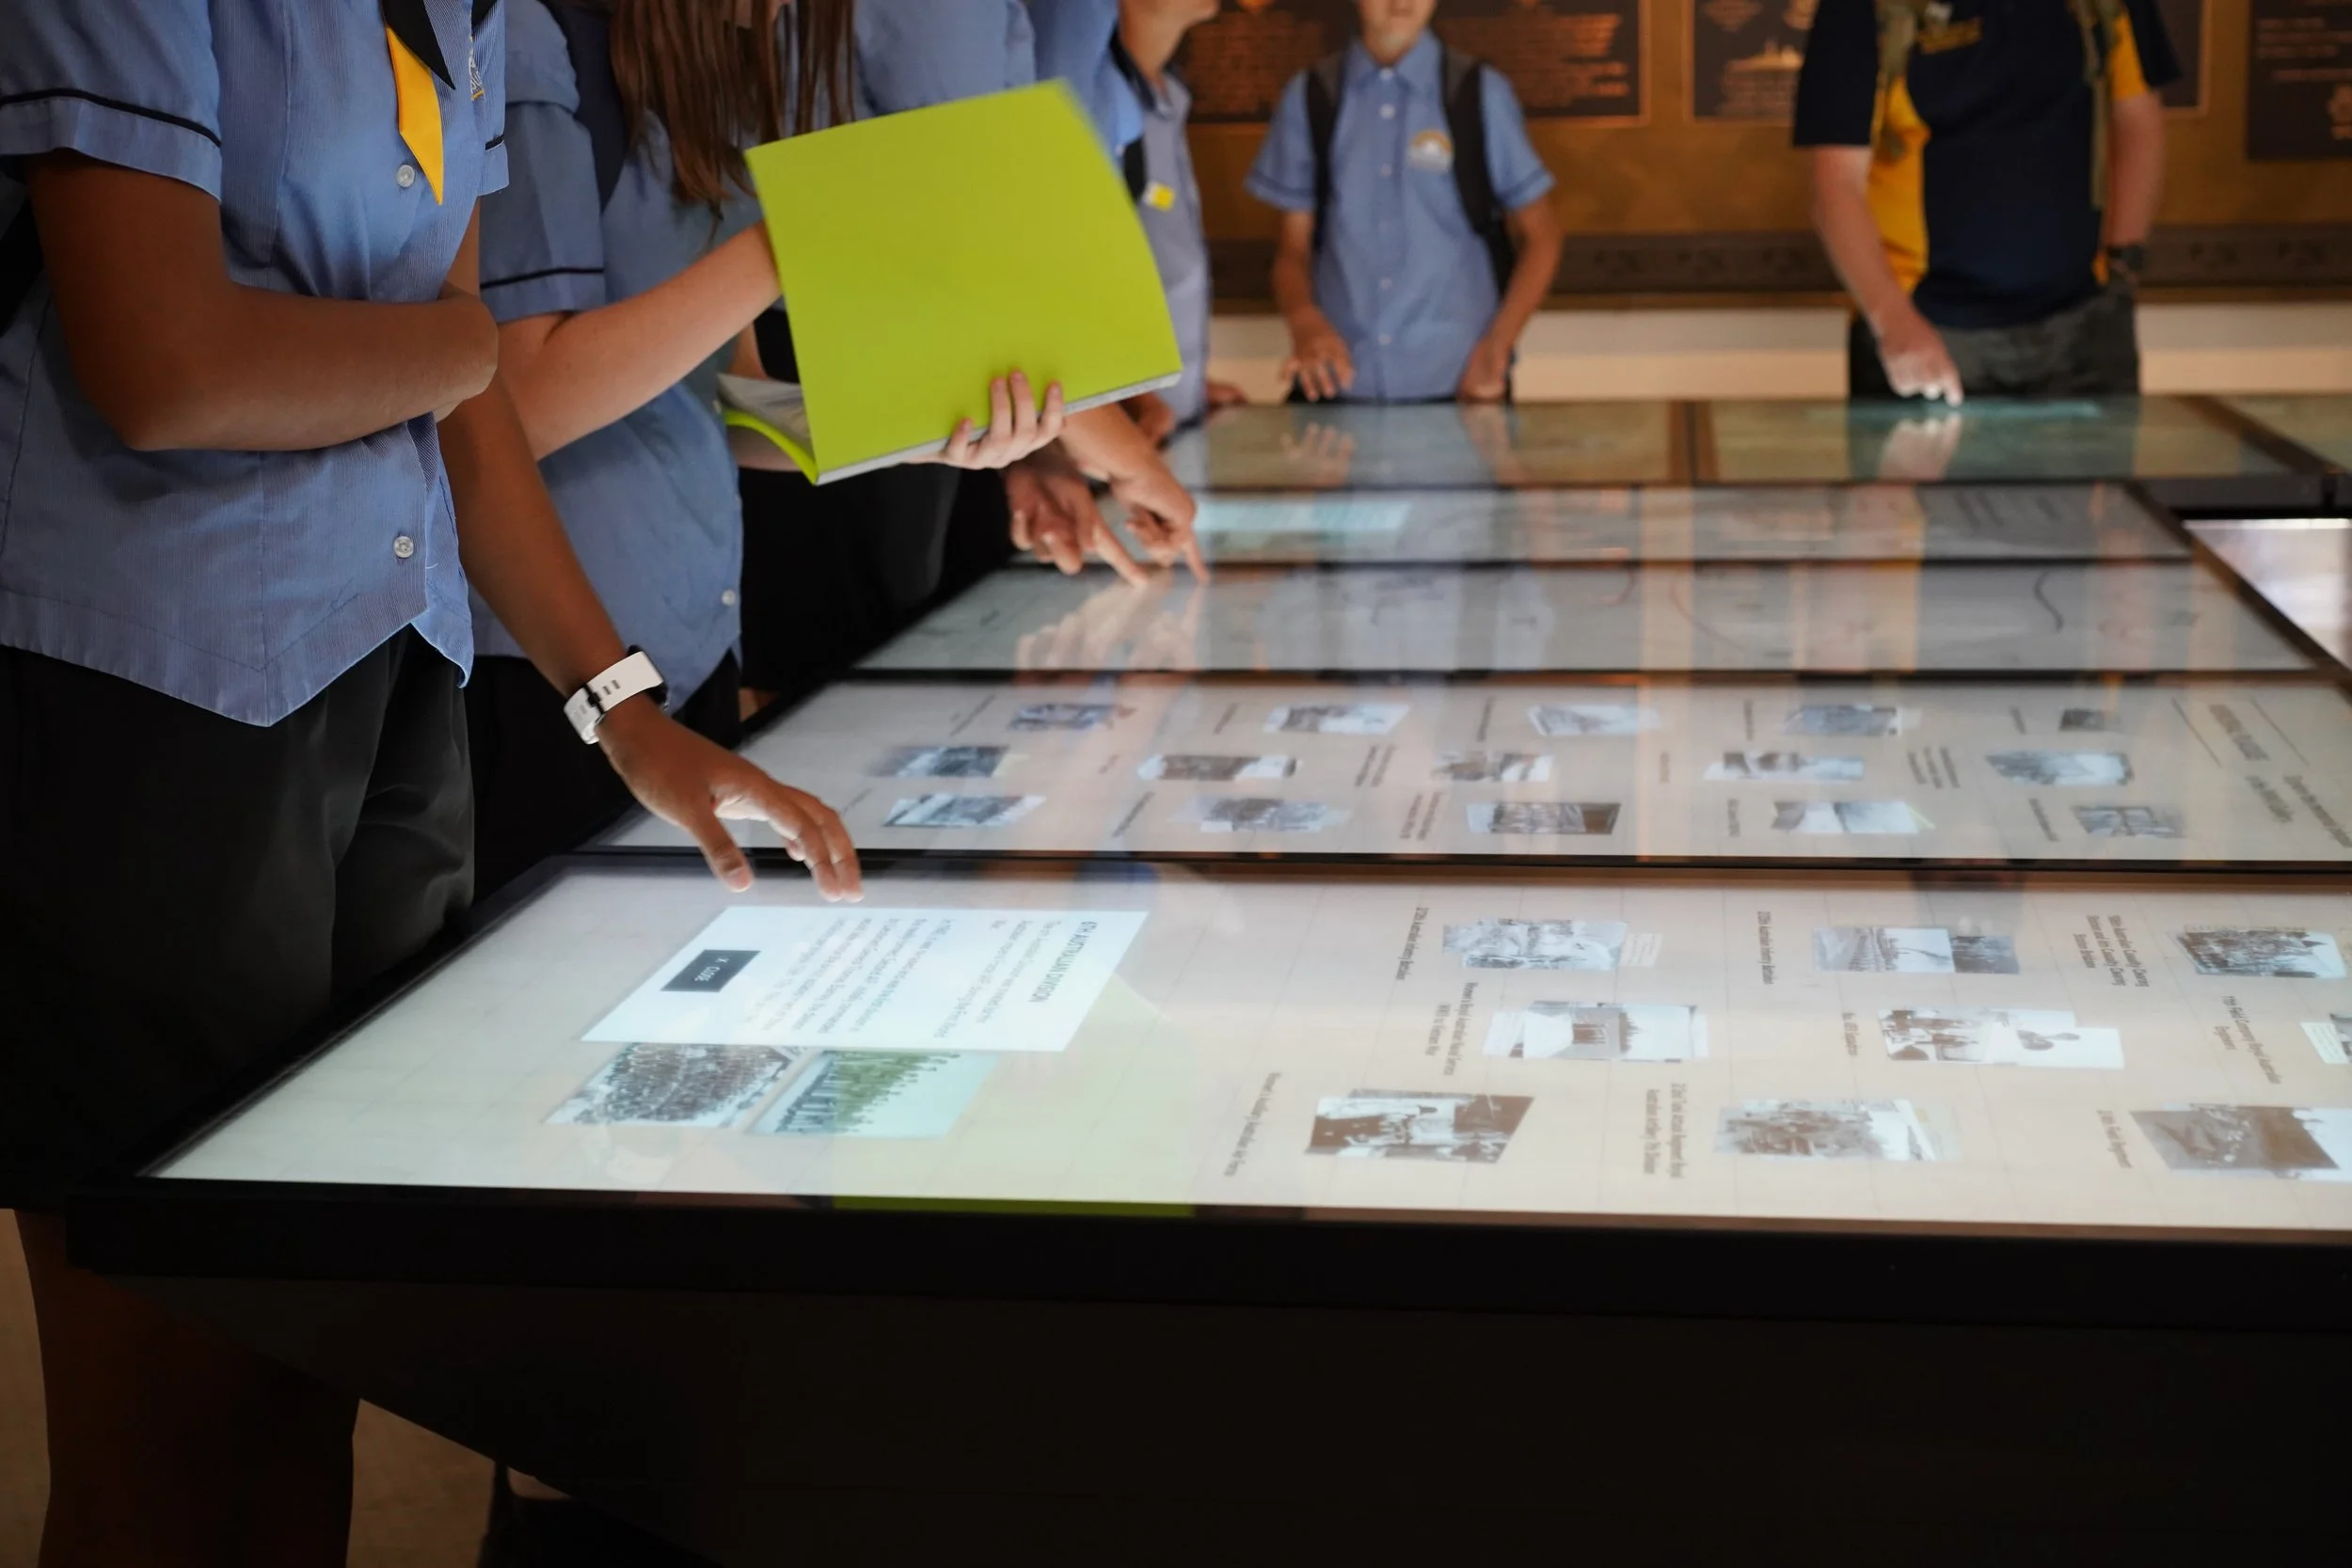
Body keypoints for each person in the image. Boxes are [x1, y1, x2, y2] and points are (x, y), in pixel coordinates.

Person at [0, 2, 865, 1562]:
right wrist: (462, 349)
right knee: (161, 1419)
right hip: (155, 699)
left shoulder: (462, 17)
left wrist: (625, 712)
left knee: (307, 1371)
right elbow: (170, 364)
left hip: (395, 696)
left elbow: (468, 423)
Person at [473, 0, 1059, 893]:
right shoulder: (535, 39)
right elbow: (517, 403)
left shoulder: (709, 82)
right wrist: (788, 243)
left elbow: (729, 395)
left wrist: (907, 433)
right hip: (548, 664)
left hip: (699, 636)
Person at [1794, 0, 2177, 403]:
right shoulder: (1864, 10)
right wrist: (1893, 321)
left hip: (2083, 331)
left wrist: (2122, 266)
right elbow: (1835, 185)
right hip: (1927, 336)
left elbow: (2138, 121)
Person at [1245, 0, 1561, 404]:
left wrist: (1499, 345)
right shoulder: (1312, 97)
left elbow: (1543, 235)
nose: (1400, 2)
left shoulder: (1478, 93)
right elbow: (1293, 248)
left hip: (1458, 386)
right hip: (1340, 390)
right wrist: (1305, 321)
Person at [1031, 0, 1248, 444]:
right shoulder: (1089, 100)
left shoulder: (1168, 94)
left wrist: (1188, 387)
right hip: (1101, 439)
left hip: (1159, 426)